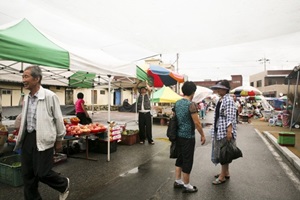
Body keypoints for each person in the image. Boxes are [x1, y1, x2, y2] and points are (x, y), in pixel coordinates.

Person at [14, 65, 70, 200]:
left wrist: (59, 139)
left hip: (44, 137)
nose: (23, 80)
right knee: (28, 175)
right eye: (23, 77)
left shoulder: (50, 96)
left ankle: (63, 184)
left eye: (26, 76)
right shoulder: (27, 97)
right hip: (28, 137)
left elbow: (58, 119)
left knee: (42, 173)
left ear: (37, 78)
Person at [173, 81, 206, 193]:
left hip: (178, 135)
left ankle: (178, 181)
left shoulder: (177, 103)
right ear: (193, 92)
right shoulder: (191, 105)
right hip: (188, 137)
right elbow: (197, 123)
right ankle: (186, 185)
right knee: (187, 160)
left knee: (180, 158)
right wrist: (202, 134)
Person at [210, 79, 237, 185]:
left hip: (224, 131)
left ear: (225, 90)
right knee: (225, 152)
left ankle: (222, 176)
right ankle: (226, 172)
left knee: (223, 153)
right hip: (220, 129)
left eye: (220, 88)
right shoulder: (221, 100)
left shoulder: (228, 100)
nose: (218, 90)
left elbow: (230, 117)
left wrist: (229, 131)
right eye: (217, 88)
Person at [134, 80, 154, 144]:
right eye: (141, 89)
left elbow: (150, 90)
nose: (143, 90)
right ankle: (142, 139)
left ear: (145, 90)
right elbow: (134, 89)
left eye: (144, 89)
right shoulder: (138, 95)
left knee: (148, 127)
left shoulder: (148, 95)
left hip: (147, 113)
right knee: (141, 127)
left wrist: (146, 83)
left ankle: (150, 140)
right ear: (140, 90)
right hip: (141, 113)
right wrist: (138, 83)